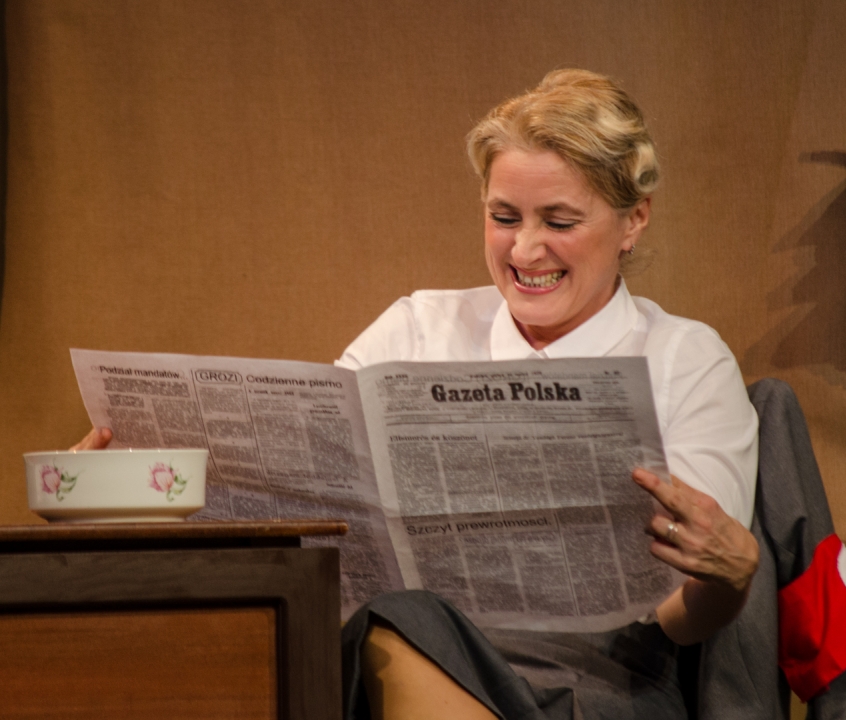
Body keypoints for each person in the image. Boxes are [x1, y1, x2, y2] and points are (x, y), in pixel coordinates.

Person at [75, 69, 760, 720]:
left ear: (634, 220)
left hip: (597, 685)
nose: (524, 251)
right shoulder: (418, 326)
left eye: (558, 222)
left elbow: (684, 615)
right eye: (503, 216)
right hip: (389, 652)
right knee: (388, 620)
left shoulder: (684, 358)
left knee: (397, 623)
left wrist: (726, 581)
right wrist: (119, 494)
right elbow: (300, 499)